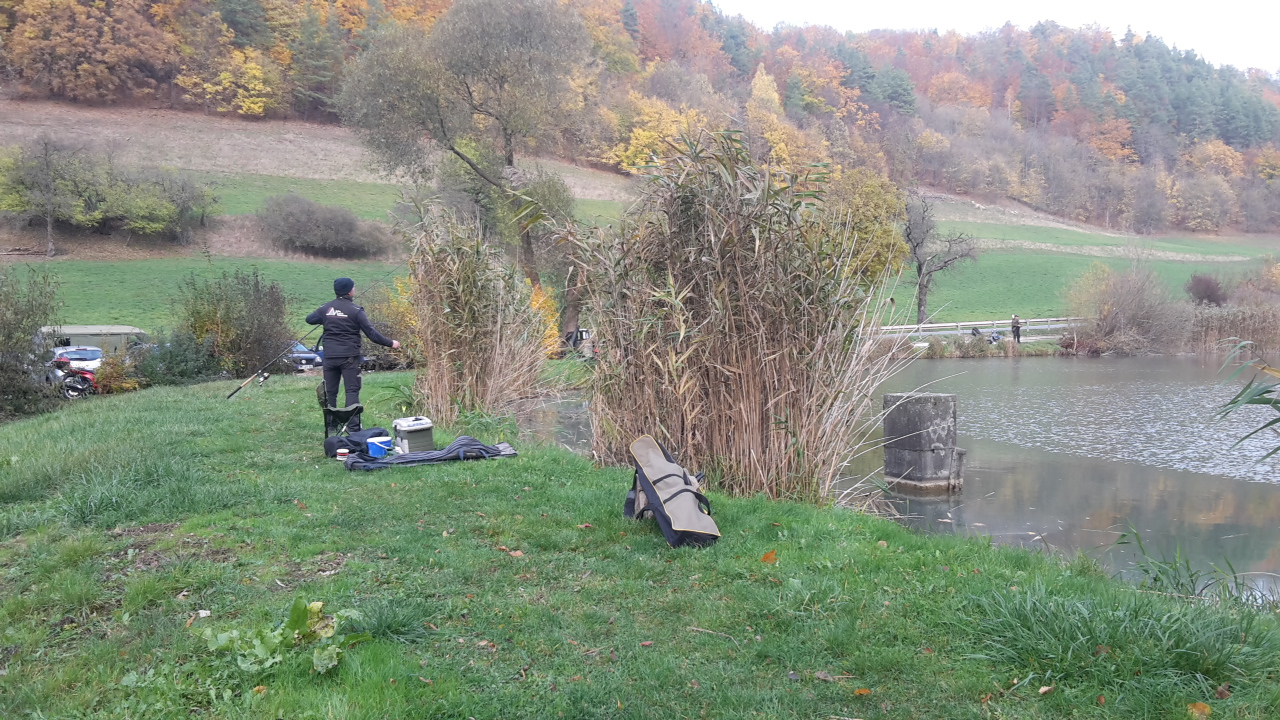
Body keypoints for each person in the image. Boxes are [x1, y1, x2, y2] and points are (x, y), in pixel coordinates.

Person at [306, 277, 400, 410]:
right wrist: (391, 343)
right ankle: (352, 422)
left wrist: (329, 318)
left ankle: (331, 421)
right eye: (353, 287)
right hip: (349, 357)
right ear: (349, 291)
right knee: (351, 390)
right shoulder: (356, 310)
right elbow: (372, 334)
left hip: (330, 357)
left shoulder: (325, 308)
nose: (354, 289)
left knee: (330, 392)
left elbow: (310, 319)